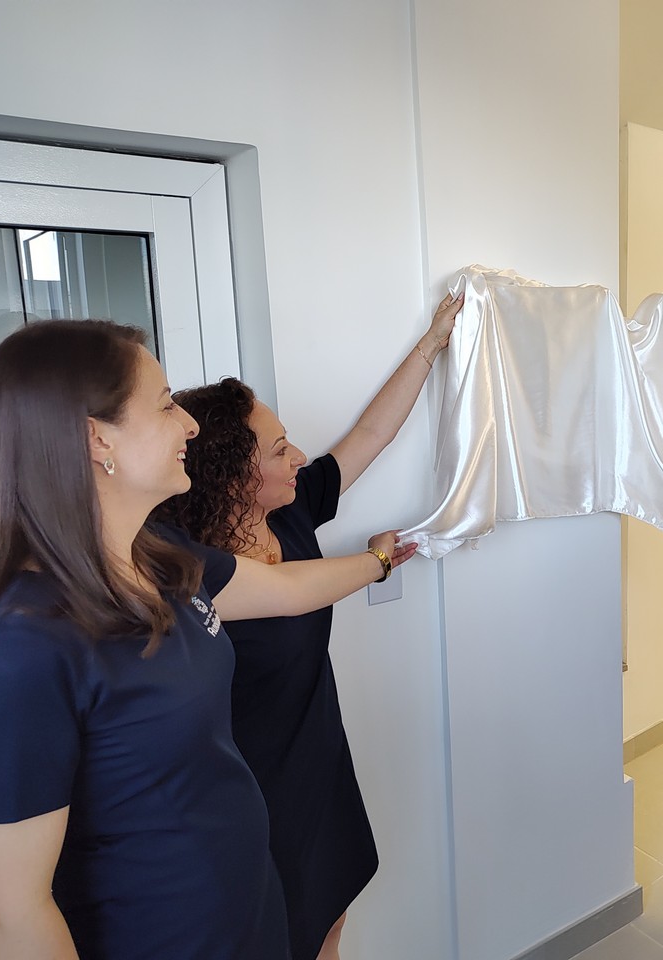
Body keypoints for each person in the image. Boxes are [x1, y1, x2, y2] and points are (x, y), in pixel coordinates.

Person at [0, 320, 414, 960]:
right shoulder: (20, 646)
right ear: (97, 438)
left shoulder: (159, 560)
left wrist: (379, 563)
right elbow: (7, 911)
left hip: (247, 910)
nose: (187, 424)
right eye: (164, 405)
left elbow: (287, 589)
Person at [155, 292, 463, 960]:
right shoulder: (180, 562)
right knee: (275, 934)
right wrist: (379, 562)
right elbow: (291, 595)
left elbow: (371, 435)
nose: (298, 456)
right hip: (244, 786)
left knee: (329, 919)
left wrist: (432, 343)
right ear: (232, 475)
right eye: (279, 449)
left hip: (318, 760)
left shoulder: (290, 514)